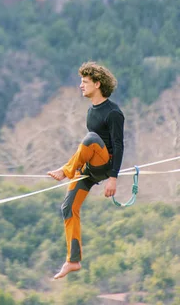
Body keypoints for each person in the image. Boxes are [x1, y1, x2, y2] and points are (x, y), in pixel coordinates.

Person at [47, 61, 124, 280]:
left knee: (90, 138)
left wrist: (113, 178)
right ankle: (73, 260)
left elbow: (118, 146)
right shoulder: (91, 111)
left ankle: (65, 170)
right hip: (89, 168)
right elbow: (87, 149)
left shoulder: (114, 113)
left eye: (85, 82)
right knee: (68, 207)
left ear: (97, 84)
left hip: (105, 166)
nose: (80, 86)